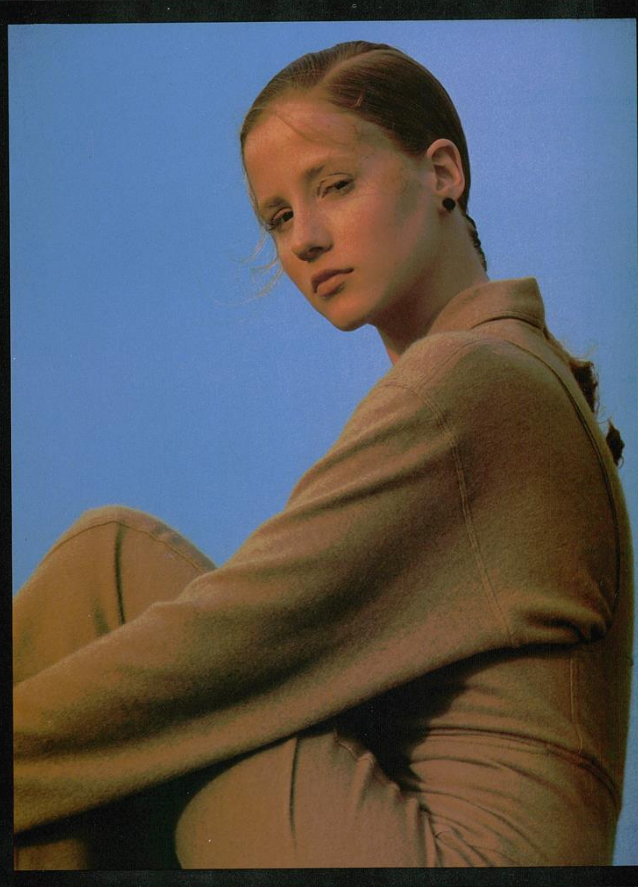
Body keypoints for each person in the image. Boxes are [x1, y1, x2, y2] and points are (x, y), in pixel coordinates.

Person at [13, 40, 633, 869]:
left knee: (110, 563)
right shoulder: (506, 373)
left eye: (334, 185)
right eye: (277, 217)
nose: (303, 238)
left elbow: (239, 636)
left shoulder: (467, 381)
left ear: (443, 173)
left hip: (449, 854)